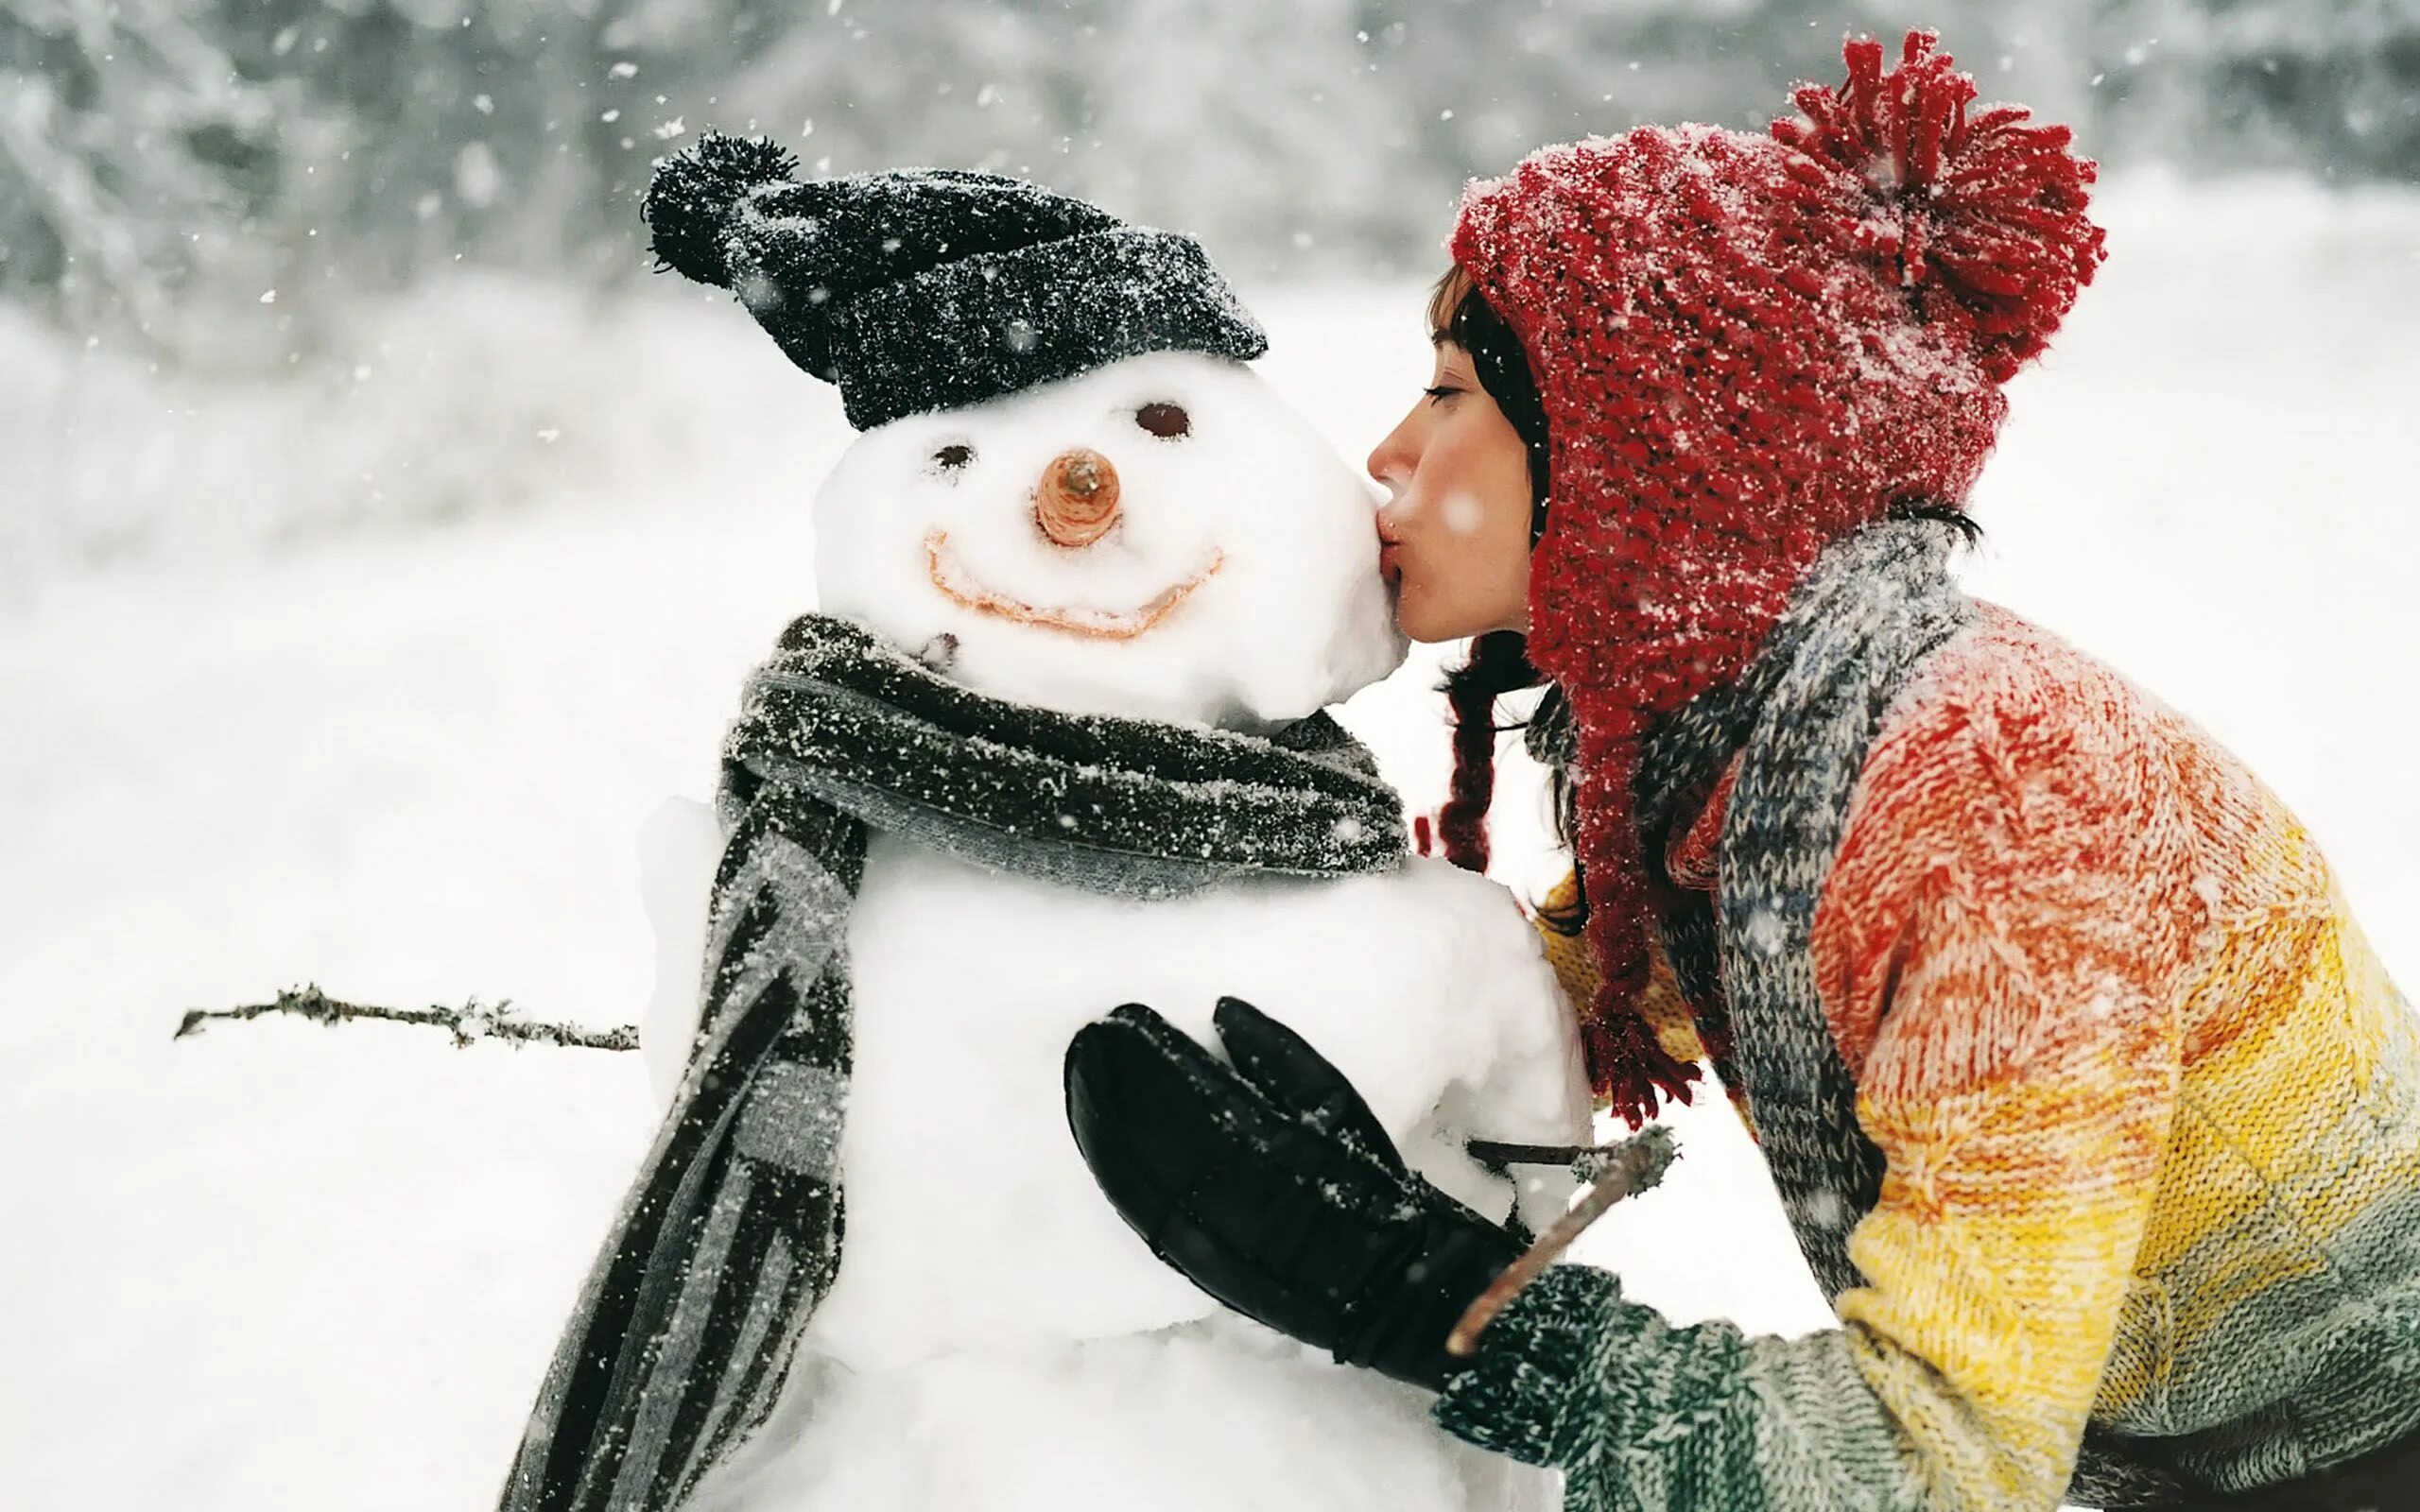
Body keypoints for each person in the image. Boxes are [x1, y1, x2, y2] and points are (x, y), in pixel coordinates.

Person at [1062, 30, 2420, 1512]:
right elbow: (1557, 1009)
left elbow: (1931, 1463)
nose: (1387, 453)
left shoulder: (1993, 804)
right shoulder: (1741, 759)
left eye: (1454, 389)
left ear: (1644, 452)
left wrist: (1430, 1306)